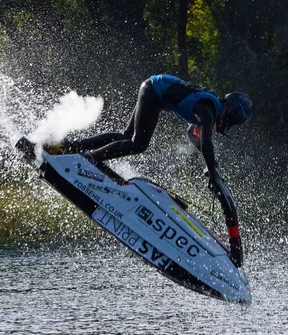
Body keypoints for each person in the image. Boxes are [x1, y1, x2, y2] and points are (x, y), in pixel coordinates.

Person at [55, 74, 252, 266]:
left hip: (154, 90)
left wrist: (212, 168)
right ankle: (90, 158)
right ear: (231, 111)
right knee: (138, 144)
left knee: (127, 136)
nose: (227, 125)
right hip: (154, 90)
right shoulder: (209, 109)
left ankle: (74, 147)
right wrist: (212, 172)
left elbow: (194, 136)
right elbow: (207, 144)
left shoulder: (208, 110)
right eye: (231, 121)